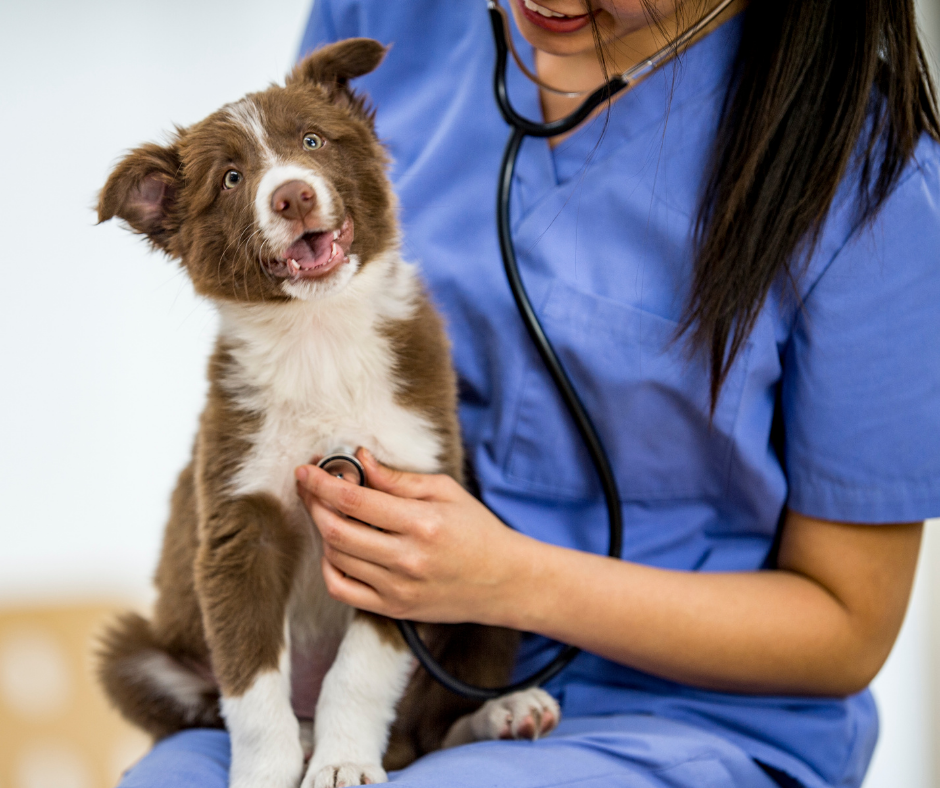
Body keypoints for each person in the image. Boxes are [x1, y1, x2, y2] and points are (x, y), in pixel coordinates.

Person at [118, 2, 940, 787]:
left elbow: (847, 625)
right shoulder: (384, 15)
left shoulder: (870, 178)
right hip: (358, 667)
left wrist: (505, 578)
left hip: (680, 712)